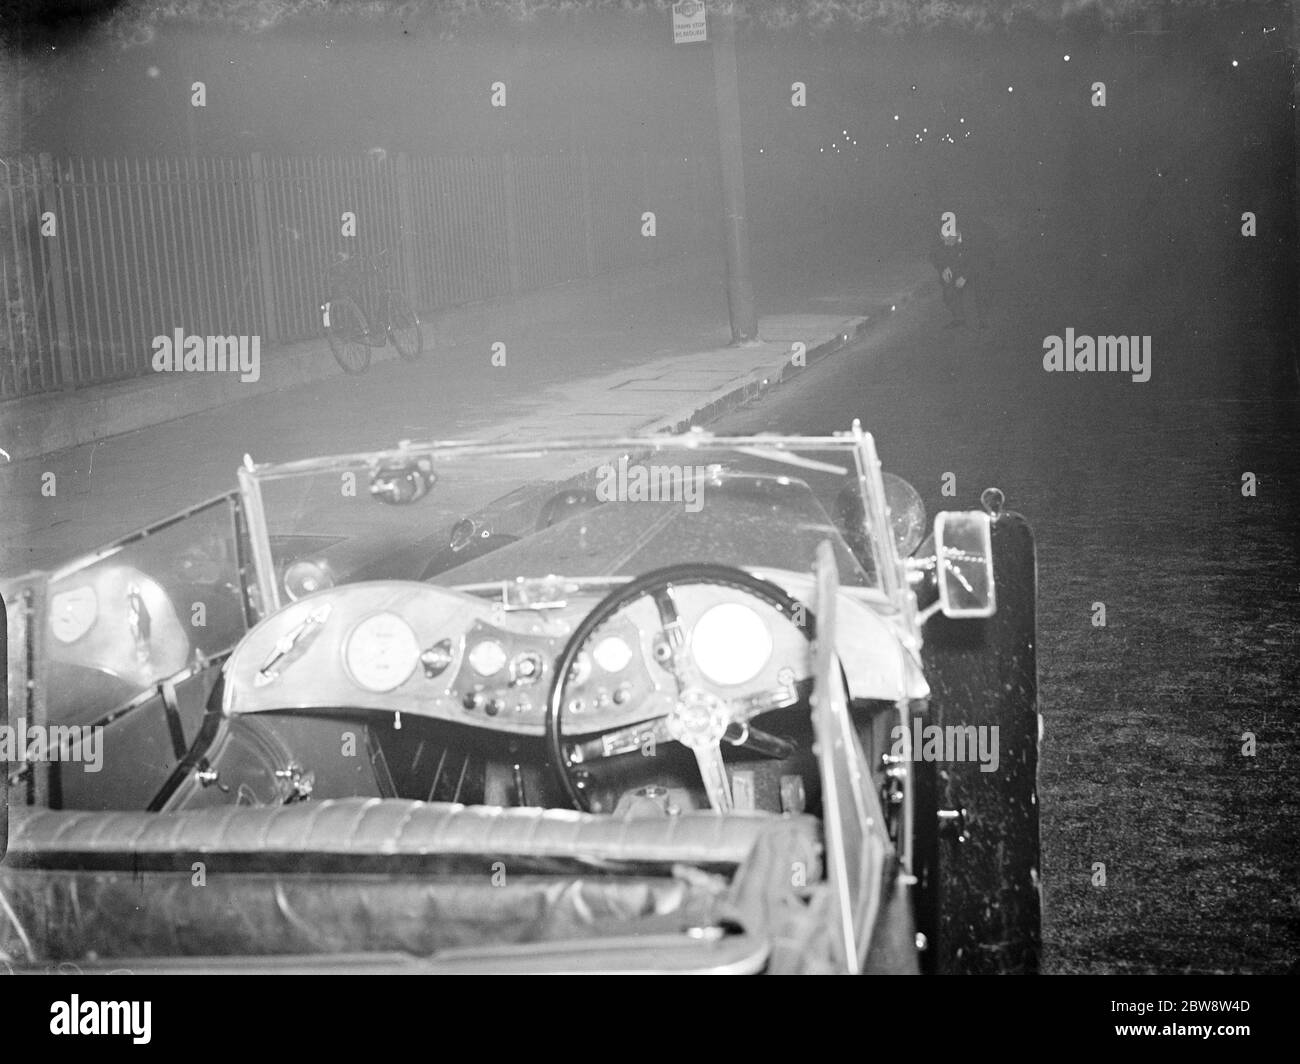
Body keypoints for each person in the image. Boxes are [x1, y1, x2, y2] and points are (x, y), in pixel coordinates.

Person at [929, 223, 987, 329]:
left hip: (971, 272)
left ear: (957, 234)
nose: (945, 243)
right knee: (949, 296)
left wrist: (965, 276)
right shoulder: (942, 241)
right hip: (953, 271)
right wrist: (943, 268)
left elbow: (977, 260)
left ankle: (977, 322)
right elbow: (934, 256)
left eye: (948, 239)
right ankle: (959, 319)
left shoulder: (970, 240)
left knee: (970, 296)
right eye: (943, 238)